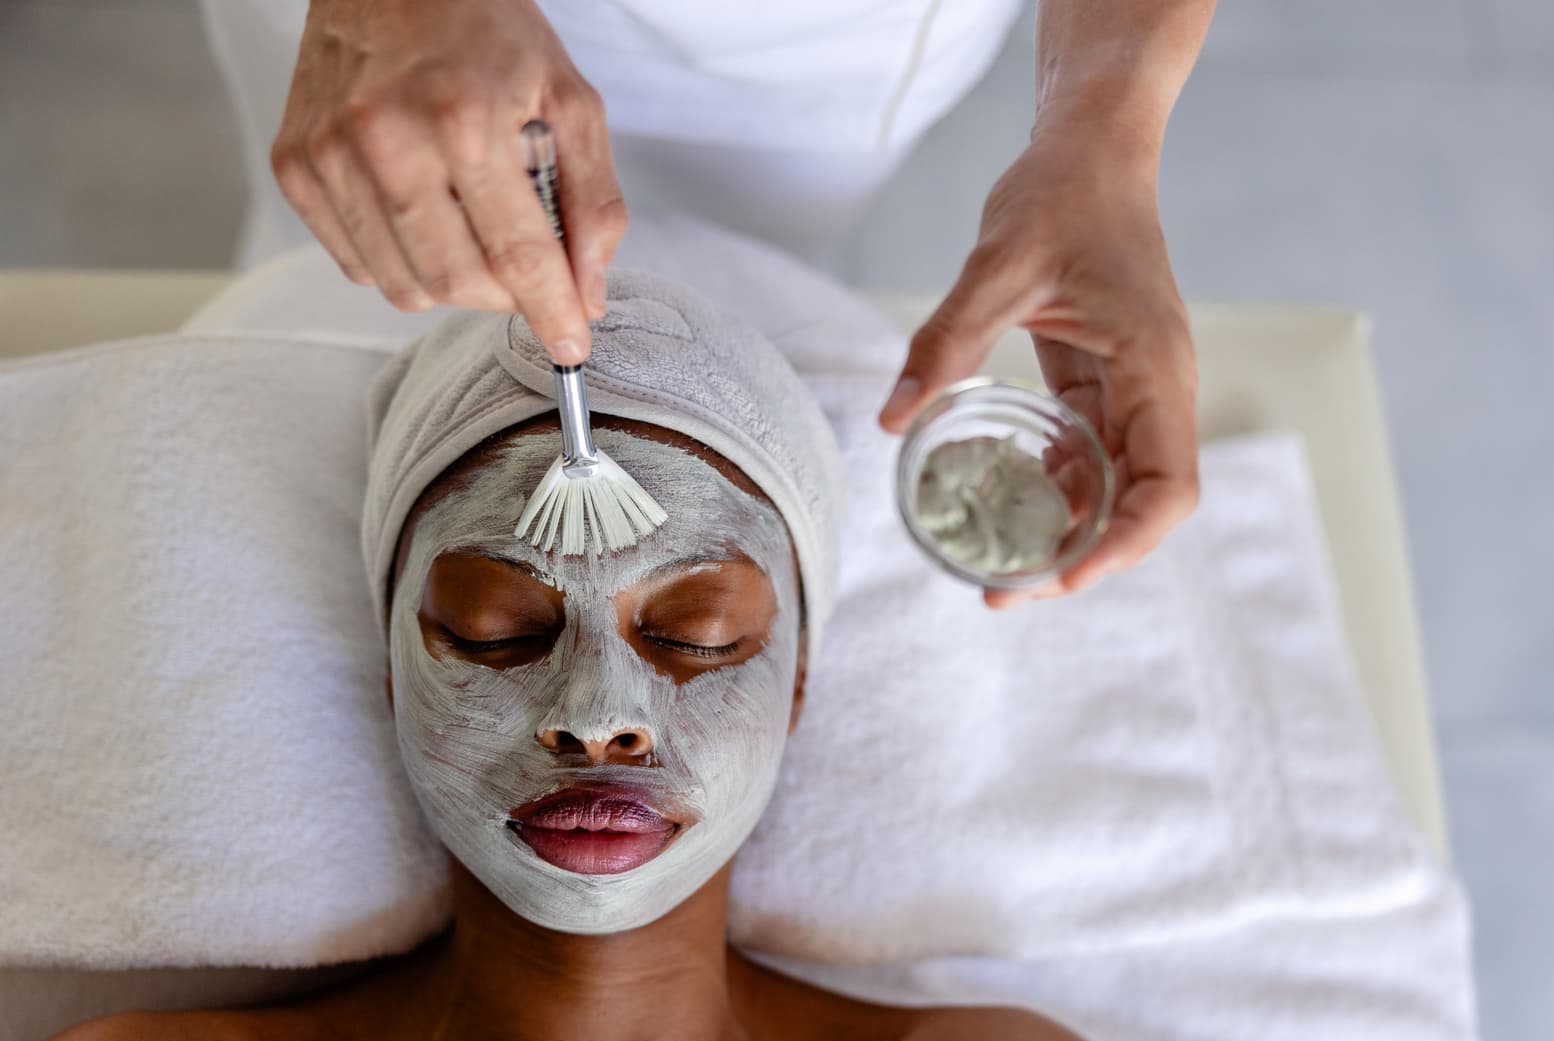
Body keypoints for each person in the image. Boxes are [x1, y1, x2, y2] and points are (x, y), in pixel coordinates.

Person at [0, 271, 1157, 1041]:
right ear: (394, 669)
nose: (599, 716)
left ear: (800, 684)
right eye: (497, 627)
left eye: (696, 634)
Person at [225, 0, 1214, 606]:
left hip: (813, 54)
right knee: (370, 241)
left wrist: (1106, 129)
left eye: (695, 632)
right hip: (404, 44)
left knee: (761, 261)